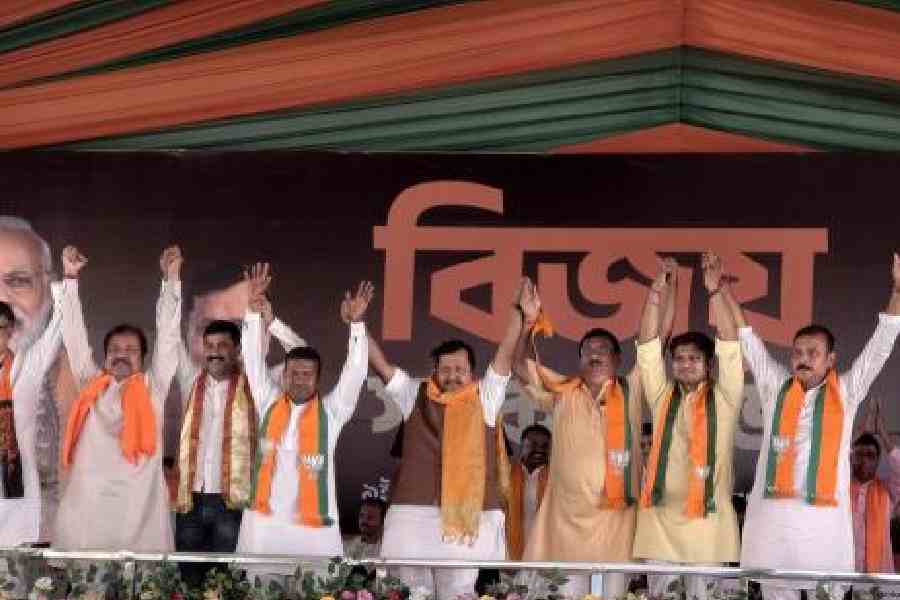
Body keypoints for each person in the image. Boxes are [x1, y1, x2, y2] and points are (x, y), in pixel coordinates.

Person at [739, 254, 900, 600]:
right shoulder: (773, 387)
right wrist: (720, 293)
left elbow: (879, 349)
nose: (803, 357)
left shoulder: (847, 390)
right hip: (773, 534)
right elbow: (747, 341)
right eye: (798, 351)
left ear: (831, 360)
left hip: (823, 536)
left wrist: (899, 292)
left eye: (813, 352)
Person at [515, 275, 674, 599]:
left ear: (618, 360)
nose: (595, 354)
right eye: (588, 350)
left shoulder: (631, 389)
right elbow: (518, 364)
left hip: (616, 530)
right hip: (564, 531)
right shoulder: (562, 392)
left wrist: (668, 289)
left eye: (603, 349)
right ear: (579, 360)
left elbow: (659, 342)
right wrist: (526, 321)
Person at [366, 280, 526, 600]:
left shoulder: (487, 396)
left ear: (472, 373)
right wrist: (357, 324)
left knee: (460, 594)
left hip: (466, 518)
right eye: (446, 369)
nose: (453, 376)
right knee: (412, 593)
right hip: (414, 517)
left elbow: (506, 352)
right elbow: (380, 365)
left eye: (460, 369)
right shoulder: (415, 393)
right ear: (434, 371)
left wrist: (520, 314)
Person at [236, 264, 372, 571]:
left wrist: (357, 325)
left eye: (307, 374)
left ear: (318, 380)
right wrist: (253, 311)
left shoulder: (332, 412)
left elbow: (355, 373)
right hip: (263, 531)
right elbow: (252, 359)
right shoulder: (268, 400)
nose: (299, 378)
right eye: (293, 373)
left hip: (313, 535)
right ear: (282, 376)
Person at [54, 245, 182, 551]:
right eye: (114, 350)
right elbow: (73, 335)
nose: (121, 356)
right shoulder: (91, 384)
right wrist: (70, 279)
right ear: (104, 355)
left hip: (140, 512)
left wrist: (171, 279)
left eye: (130, 351)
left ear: (143, 358)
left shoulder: (154, 386)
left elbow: (168, 336)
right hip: (91, 511)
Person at [633, 253, 744, 600]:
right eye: (679, 359)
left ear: (709, 364)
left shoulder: (726, 396)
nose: (684, 364)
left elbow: (729, 339)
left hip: (710, 526)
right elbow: (649, 344)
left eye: (694, 358)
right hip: (661, 523)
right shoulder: (663, 396)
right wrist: (656, 293)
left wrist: (714, 293)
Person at [0, 216, 68, 543]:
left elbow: (57, 330)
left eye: (18, 281)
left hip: (19, 495)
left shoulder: (27, 366)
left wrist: (68, 281)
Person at [851, 397, 900, 573]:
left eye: (870, 455)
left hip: (877, 578)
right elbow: (834, 458)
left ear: (878, 460)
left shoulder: (887, 491)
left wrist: (882, 433)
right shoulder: (840, 489)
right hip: (843, 575)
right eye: (859, 454)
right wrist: (862, 430)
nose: (864, 460)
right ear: (851, 457)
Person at [505, 423, 551, 561]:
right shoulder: (507, 474)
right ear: (522, 446)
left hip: (545, 555)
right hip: (510, 555)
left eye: (545, 446)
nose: (539, 450)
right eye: (533, 444)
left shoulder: (556, 478)